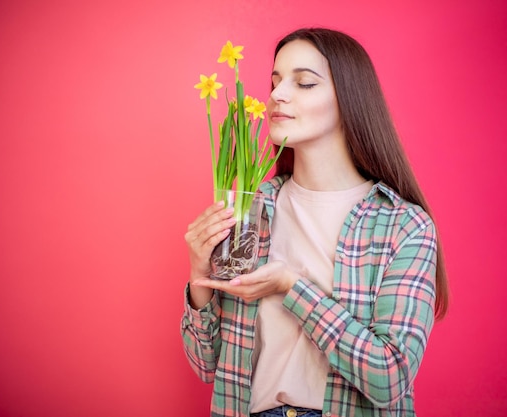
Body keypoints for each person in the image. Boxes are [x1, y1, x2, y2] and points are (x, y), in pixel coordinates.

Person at [182, 27, 449, 417]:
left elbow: (389, 378)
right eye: (274, 81)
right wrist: (198, 273)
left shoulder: (402, 226)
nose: (276, 95)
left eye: (304, 83)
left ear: (349, 100)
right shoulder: (254, 209)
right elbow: (207, 366)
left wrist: (292, 288)